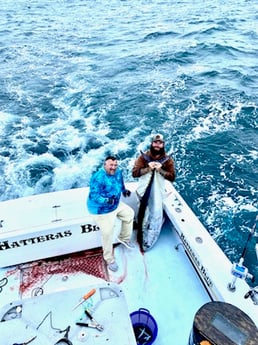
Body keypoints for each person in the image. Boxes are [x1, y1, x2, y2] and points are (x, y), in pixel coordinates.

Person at [87, 155, 134, 272]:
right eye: (110, 165)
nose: (113, 167)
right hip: (101, 209)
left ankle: (124, 238)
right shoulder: (98, 177)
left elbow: (120, 183)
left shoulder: (118, 172)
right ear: (105, 165)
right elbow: (94, 196)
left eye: (115, 165)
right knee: (107, 233)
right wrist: (107, 200)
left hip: (115, 204)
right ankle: (109, 259)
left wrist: (124, 190)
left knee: (129, 214)